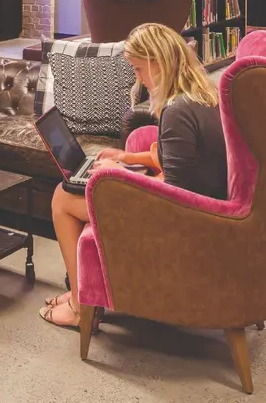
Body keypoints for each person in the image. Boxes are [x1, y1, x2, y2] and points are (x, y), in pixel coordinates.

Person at [39, 22, 228, 329]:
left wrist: (120, 177)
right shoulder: (202, 94)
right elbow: (172, 159)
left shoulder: (177, 112)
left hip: (185, 218)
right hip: (203, 205)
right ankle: (84, 290)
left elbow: (172, 192)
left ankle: (80, 305)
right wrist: (127, 158)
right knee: (80, 188)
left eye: (138, 69)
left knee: (63, 198)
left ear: (160, 62)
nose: (137, 79)